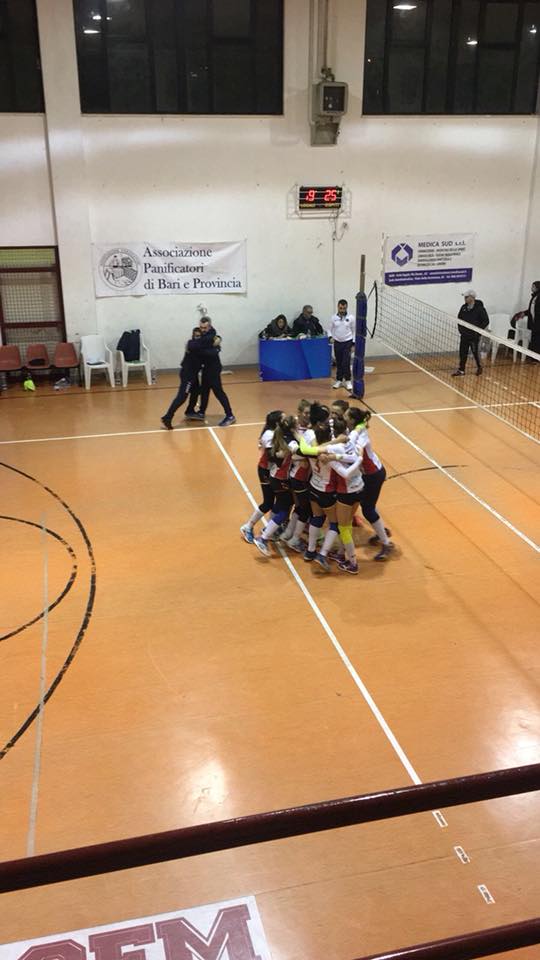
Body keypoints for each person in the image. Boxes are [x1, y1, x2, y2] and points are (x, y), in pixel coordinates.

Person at [240, 410, 283, 543]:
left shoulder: (274, 432)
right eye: (283, 419)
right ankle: (248, 526)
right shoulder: (269, 434)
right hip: (265, 470)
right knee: (268, 502)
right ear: (277, 423)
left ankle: (270, 528)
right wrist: (286, 454)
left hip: (271, 471)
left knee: (277, 500)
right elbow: (271, 455)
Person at [184, 316, 236, 426]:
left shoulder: (211, 336)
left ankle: (230, 415)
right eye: (201, 327)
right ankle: (201, 412)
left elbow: (208, 350)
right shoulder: (206, 337)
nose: (203, 330)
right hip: (206, 368)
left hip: (213, 369)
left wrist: (199, 349)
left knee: (218, 392)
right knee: (204, 391)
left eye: (205, 328)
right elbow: (193, 345)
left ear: (210, 326)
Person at [161, 327, 203, 429]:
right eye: (195, 336)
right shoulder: (191, 344)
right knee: (182, 396)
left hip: (194, 374)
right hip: (187, 374)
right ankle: (168, 416)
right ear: (193, 336)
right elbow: (197, 346)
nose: (197, 338)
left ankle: (190, 410)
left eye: (199, 336)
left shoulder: (201, 345)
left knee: (196, 391)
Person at [452, 290, 489, 377]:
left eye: (466, 297)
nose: (465, 299)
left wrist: (478, 331)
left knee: (475, 352)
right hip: (464, 335)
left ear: (472, 298)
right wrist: (461, 330)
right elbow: (459, 319)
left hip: (474, 336)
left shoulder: (480, 309)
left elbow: (486, 321)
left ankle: (479, 367)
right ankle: (461, 370)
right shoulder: (463, 308)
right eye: (464, 297)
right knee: (462, 352)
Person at [327, 299, 354, 390]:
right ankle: (339, 380)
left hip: (347, 342)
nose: (342, 310)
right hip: (337, 342)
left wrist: (353, 344)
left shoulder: (351, 318)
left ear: (346, 308)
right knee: (339, 362)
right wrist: (330, 337)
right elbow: (329, 329)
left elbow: (354, 331)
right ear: (338, 307)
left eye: (344, 308)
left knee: (346, 362)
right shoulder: (333, 318)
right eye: (340, 308)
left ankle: (348, 380)